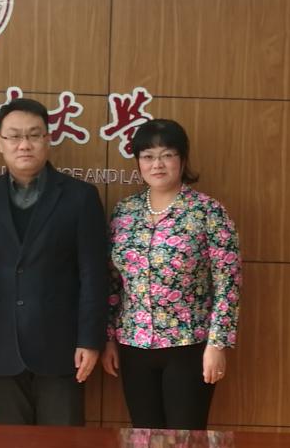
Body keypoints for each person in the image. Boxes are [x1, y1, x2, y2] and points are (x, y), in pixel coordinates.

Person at [0, 97, 108, 426]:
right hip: (0, 346)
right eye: (14, 136)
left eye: (33, 135)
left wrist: (89, 340)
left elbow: (93, 275)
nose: (24, 144)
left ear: (47, 139)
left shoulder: (80, 197)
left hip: (62, 347)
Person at [102, 118, 241, 430]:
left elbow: (228, 283)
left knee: (185, 440)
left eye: (167, 155)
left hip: (188, 346)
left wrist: (217, 345)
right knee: (143, 437)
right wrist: (109, 338)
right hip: (133, 344)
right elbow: (113, 283)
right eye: (148, 156)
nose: (157, 164)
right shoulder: (124, 212)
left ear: (182, 159)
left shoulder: (207, 211)